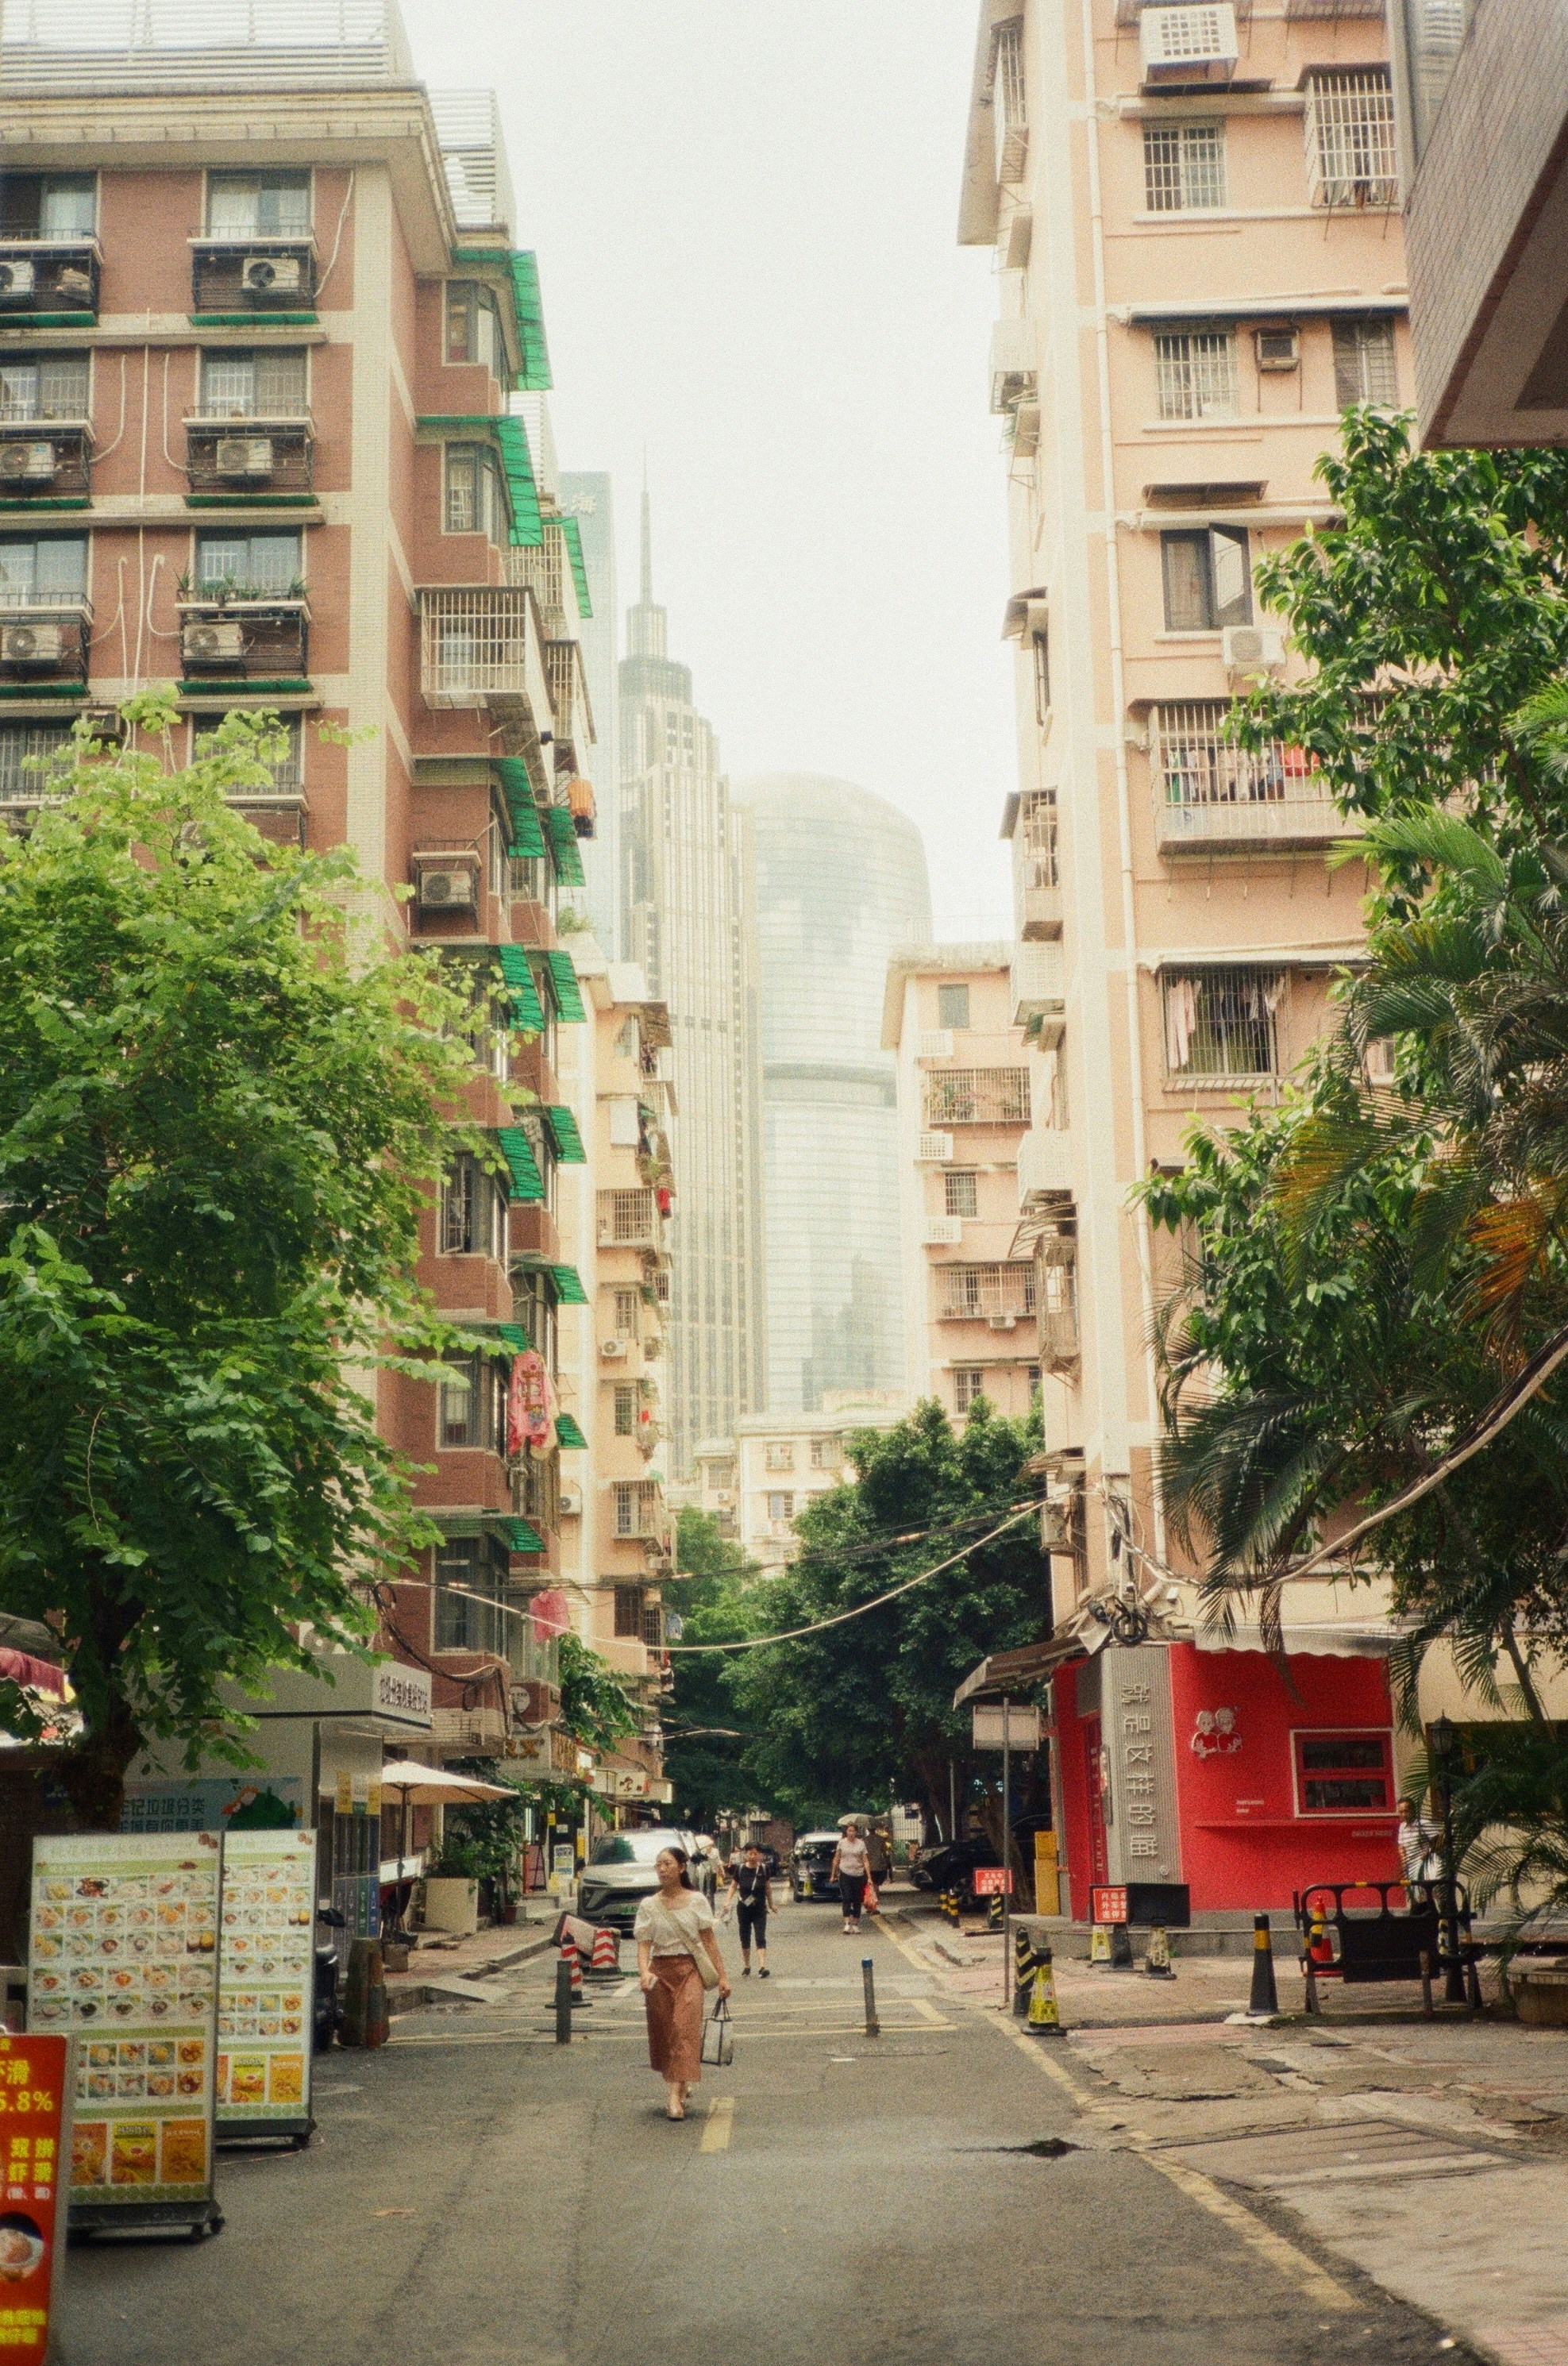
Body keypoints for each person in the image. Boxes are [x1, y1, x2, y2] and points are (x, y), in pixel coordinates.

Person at [634, 1845, 730, 2121]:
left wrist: (722, 1976)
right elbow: (644, 1945)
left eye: (667, 1863)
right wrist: (644, 1973)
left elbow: (709, 1941)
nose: (662, 1869)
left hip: (690, 1970)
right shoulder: (649, 1905)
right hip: (659, 1972)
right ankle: (682, 2080)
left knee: (683, 2028)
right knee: (665, 2031)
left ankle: (674, 2097)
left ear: (681, 1867)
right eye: (658, 1865)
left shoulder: (697, 1901)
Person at [723, 1843, 774, 1978]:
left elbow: (768, 1888)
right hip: (743, 1909)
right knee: (745, 1936)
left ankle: (762, 1967)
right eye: (750, 1853)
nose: (753, 1856)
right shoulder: (740, 1870)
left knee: (760, 1936)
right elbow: (733, 1886)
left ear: (760, 1855)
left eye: (756, 1853)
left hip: (760, 1909)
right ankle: (747, 1965)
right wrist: (728, 1901)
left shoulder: (764, 1869)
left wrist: (771, 1904)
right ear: (745, 1854)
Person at [1396, 1794, 1441, 1894]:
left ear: (1413, 1810)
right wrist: (1404, 1860)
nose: (1404, 1814)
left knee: (1429, 1895)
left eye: (1406, 1811)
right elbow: (1401, 1845)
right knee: (1419, 1897)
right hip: (1411, 1867)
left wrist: (1427, 1851)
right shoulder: (1402, 1827)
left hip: (1426, 1866)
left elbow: (1438, 1838)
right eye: (1401, 1812)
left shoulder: (1423, 1823)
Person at [831, 1820, 870, 1934]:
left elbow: (865, 1861)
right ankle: (847, 1924)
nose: (851, 1833)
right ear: (846, 1832)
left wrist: (869, 1877)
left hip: (859, 1875)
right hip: (845, 1874)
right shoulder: (841, 1843)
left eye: (853, 1831)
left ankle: (855, 1923)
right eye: (849, 1831)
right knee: (847, 1898)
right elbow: (836, 1859)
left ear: (856, 1832)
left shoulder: (861, 1844)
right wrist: (833, 1875)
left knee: (858, 1900)